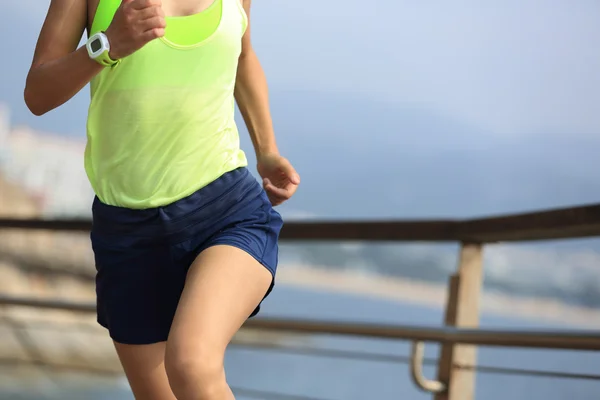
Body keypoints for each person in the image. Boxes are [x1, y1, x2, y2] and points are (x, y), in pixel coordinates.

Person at [24, 0, 300, 398]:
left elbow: (243, 54)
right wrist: (107, 45)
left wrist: (267, 150)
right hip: (128, 233)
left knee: (191, 362)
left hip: (224, 209)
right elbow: (38, 93)